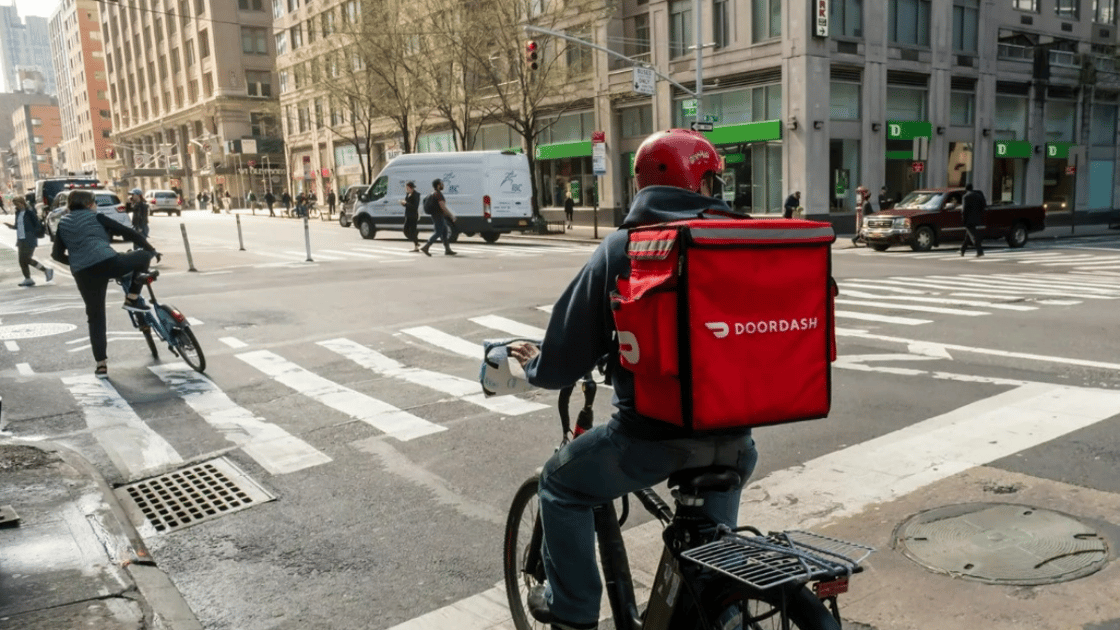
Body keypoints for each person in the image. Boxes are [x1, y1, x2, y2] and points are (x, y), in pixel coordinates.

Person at [508, 129, 757, 630]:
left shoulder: (626, 247)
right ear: (699, 181)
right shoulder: (740, 240)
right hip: (736, 440)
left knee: (560, 484)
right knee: (712, 563)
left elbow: (561, 360)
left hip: (651, 440)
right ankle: (725, 614)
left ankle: (574, 611)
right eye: (712, 180)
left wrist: (534, 363)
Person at [51, 189, 159, 378]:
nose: (96, 206)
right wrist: (151, 250)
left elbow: (57, 255)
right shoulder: (97, 217)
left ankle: (101, 365)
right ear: (88, 204)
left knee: (96, 318)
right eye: (94, 202)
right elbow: (129, 233)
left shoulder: (63, 224)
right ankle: (132, 298)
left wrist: (78, 262)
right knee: (142, 256)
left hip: (84, 274)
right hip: (109, 263)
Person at [4, 195, 53, 286]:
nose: (16, 206)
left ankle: (46, 270)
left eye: (17, 204)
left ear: (22, 203)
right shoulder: (18, 213)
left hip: (29, 239)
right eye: (15, 204)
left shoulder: (30, 212)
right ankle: (28, 278)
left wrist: (32, 234)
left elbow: (37, 225)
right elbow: (18, 226)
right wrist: (11, 226)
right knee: (22, 261)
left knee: (26, 259)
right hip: (21, 239)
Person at [419, 179, 457, 256]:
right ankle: (426, 246)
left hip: (437, 215)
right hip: (438, 216)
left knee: (445, 231)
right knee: (438, 232)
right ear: (438, 185)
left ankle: (447, 250)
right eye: (442, 184)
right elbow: (442, 206)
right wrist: (451, 215)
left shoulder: (432, 193)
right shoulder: (438, 194)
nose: (443, 185)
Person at [961, 182, 986, 257]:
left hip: (968, 219)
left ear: (966, 188)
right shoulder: (978, 195)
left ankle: (980, 251)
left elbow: (964, 210)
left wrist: (963, 219)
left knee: (973, 236)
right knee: (968, 235)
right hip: (977, 218)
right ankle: (962, 250)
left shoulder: (966, 196)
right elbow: (983, 205)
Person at [400, 181, 421, 252]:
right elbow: (407, 204)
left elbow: (415, 207)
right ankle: (416, 242)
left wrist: (406, 204)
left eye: (407, 187)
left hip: (413, 216)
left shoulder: (416, 195)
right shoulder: (408, 194)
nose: (406, 189)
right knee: (406, 230)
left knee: (412, 231)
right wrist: (403, 203)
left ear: (410, 188)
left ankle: (416, 246)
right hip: (408, 215)